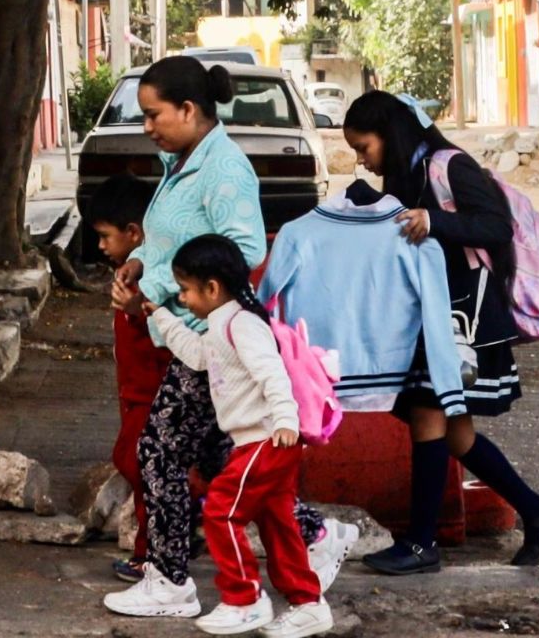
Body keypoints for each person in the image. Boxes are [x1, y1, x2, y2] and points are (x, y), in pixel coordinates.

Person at [102, 56, 348, 619]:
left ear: (189, 109)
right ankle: (314, 536)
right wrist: (141, 263)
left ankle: (170, 579)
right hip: (190, 333)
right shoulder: (180, 159)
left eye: (153, 114)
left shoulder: (225, 170)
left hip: (213, 334)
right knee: (221, 456)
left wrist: (160, 286)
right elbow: (173, 237)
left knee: (159, 451)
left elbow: (243, 249)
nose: (146, 126)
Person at [343, 91, 539, 575]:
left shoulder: (449, 165)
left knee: (430, 419)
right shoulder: (406, 177)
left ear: (391, 134)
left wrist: (435, 220)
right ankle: (536, 510)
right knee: (456, 434)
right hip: (433, 317)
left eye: (364, 147)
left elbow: (495, 227)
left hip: (465, 321)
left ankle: (422, 544)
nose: (362, 159)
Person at [146, 235, 332, 637]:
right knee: (277, 523)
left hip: (268, 439)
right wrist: (162, 317)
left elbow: (272, 373)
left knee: (220, 511)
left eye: (186, 290)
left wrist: (285, 419)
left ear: (212, 288)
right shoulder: (221, 325)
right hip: (259, 441)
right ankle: (307, 603)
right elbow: (197, 355)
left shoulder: (243, 324)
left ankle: (244, 599)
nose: (184, 298)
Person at [84, 174, 174, 583]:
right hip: (133, 391)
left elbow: (163, 335)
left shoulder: (150, 282)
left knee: (142, 466)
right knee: (134, 461)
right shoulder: (127, 274)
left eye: (105, 236)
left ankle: (150, 556)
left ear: (134, 232)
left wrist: (139, 311)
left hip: (151, 392)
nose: (101, 246)